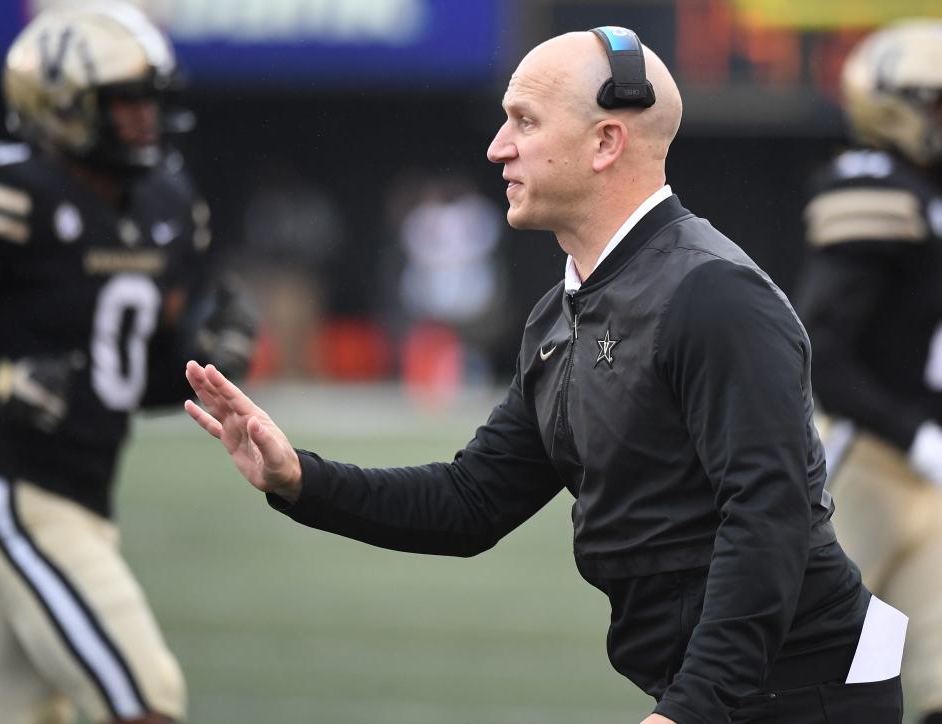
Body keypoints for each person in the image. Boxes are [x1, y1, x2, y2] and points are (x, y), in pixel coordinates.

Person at [185, 27, 906, 724]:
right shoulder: (565, 312)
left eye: (524, 121)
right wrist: (299, 479)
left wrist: (692, 710)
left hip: (807, 694)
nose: (499, 148)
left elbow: (767, 518)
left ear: (605, 142)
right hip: (727, 689)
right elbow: (472, 502)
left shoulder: (713, 295)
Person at [0, 4, 256, 723]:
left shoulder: (167, 204)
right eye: (126, 102)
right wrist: (0, 383)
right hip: (12, 493)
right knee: (145, 699)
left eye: (152, 101)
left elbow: (121, 377)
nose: (146, 119)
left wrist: (209, 360)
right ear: (60, 104)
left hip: (84, 494)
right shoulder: (10, 194)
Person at [795, 18, 942, 724]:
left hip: (933, 479)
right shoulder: (874, 190)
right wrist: (917, 437)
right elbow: (822, 350)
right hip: (867, 468)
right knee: (843, 672)